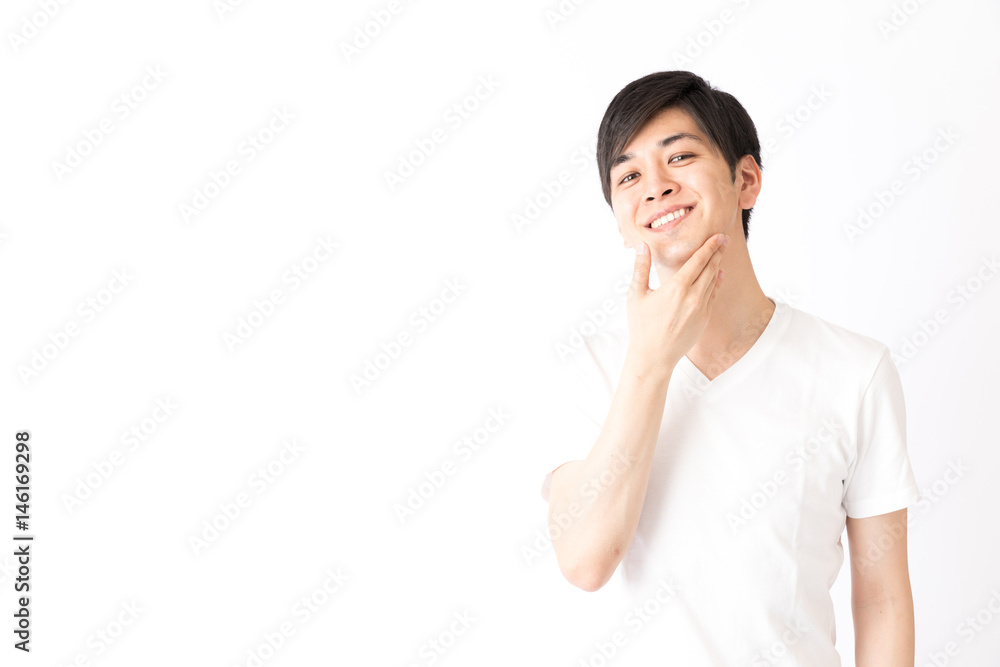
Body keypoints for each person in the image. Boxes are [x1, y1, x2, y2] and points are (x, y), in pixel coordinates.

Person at [540, 70, 920, 666]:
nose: (656, 187)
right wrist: (650, 364)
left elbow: (882, 599)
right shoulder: (593, 369)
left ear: (746, 180)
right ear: (619, 217)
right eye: (630, 176)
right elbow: (585, 561)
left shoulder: (855, 371)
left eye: (680, 157)